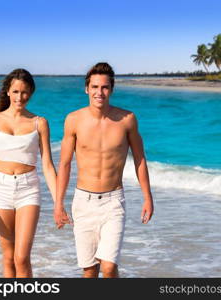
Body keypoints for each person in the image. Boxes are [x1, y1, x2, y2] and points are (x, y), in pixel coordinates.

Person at [55, 62, 154, 278]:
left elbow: (140, 159)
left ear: (112, 89)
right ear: (87, 89)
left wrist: (148, 197)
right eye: (95, 87)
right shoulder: (73, 120)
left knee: (108, 267)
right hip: (83, 201)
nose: (99, 92)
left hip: (113, 202)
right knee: (90, 271)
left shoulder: (127, 120)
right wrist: (58, 204)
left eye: (105, 87)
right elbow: (64, 164)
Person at [0, 69, 57, 278]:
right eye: (16, 91)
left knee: (22, 258)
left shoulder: (39, 122)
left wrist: (58, 202)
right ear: (8, 92)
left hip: (28, 189)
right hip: (1, 188)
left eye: (25, 92)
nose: (20, 97)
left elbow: (47, 165)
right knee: (8, 257)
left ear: (31, 93)